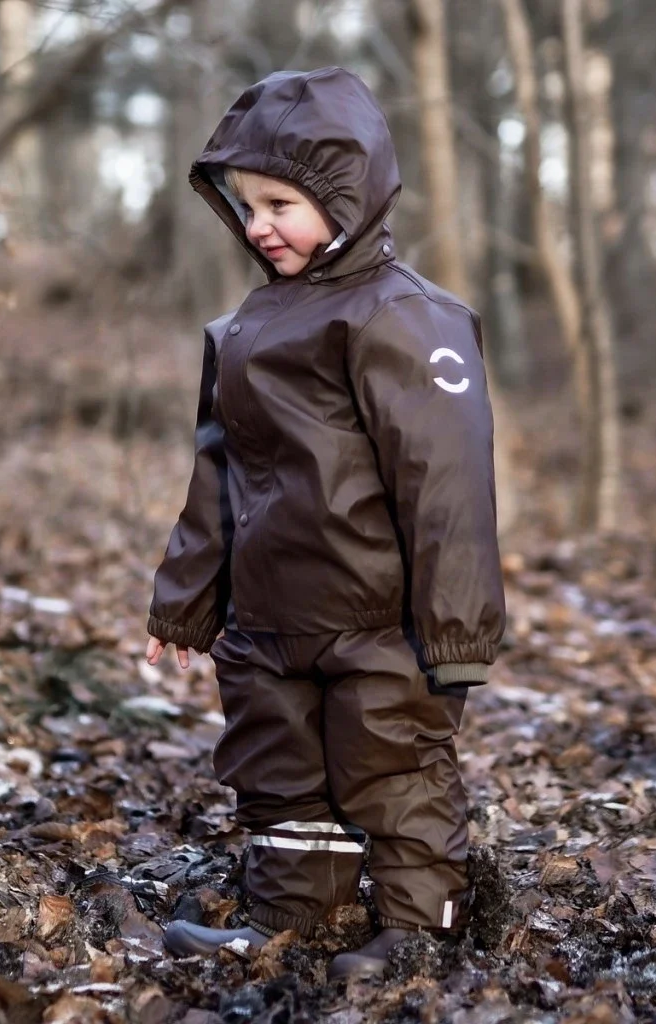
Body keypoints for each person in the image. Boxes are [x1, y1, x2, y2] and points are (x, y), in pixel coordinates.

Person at [145, 66, 506, 981]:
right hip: (268, 618)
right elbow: (220, 468)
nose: (259, 226)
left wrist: (456, 633)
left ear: (345, 198)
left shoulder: (406, 318)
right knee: (279, 770)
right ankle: (294, 915)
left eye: (281, 205)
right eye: (247, 206)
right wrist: (187, 601)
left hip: (380, 622)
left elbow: (447, 485)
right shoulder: (248, 326)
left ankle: (421, 927)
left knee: (392, 768)